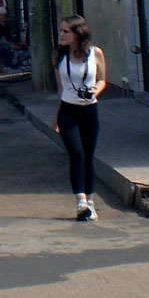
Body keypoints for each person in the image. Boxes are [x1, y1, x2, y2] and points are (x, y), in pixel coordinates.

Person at [53, 14, 107, 221]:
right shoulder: (59, 56)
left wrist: (95, 91)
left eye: (66, 31)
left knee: (88, 156)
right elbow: (61, 89)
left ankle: (90, 202)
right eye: (61, 31)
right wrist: (57, 116)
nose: (62, 35)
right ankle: (81, 202)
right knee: (76, 154)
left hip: (89, 111)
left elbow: (102, 79)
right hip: (68, 112)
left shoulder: (95, 54)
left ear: (77, 33)